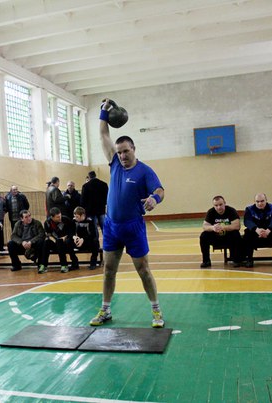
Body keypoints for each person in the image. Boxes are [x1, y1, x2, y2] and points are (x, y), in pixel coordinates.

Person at [90, 99, 165, 328]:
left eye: (126, 151)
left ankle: (156, 311)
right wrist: (104, 112)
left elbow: (160, 189)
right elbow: (103, 135)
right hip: (112, 227)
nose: (122, 155)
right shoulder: (114, 163)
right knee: (108, 271)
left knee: (143, 270)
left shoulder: (144, 171)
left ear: (134, 150)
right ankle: (105, 310)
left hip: (133, 227)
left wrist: (154, 198)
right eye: (120, 152)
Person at [243, 193, 272, 268]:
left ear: (266, 200)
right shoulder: (249, 209)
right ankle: (249, 259)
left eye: (262, 201)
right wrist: (257, 230)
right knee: (247, 234)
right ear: (254, 202)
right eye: (257, 201)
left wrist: (268, 230)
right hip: (256, 232)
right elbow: (247, 221)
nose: (260, 203)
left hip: (270, 232)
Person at [199, 195, 243, 268]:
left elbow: (237, 226)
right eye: (216, 205)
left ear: (224, 203)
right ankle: (206, 260)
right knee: (204, 236)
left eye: (220, 204)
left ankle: (236, 260)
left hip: (228, 236)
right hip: (216, 236)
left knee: (236, 234)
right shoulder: (211, 212)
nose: (218, 207)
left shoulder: (231, 211)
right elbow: (205, 226)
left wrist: (223, 227)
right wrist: (213, 227)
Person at [41, 207, 75, 273]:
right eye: (57, 217)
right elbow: (48, 234)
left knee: (59, 242)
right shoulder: (47, 223)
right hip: (55, 242)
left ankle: (64, 265)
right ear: (52, 217)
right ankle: (43, 265)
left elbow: (72, 231)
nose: (60, 218)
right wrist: (53, 239)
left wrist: (66, 236)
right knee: (46, 242)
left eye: (60, 216)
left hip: (66, 243)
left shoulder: (66, 220)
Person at [68, 206, 100, 271]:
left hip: (88, 241)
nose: (75, 218)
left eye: (77, 217)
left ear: (82, 215)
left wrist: (83, 239)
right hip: (78, 242)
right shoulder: (74, 221)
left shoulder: (90, 221)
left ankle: (93, 263)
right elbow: (70, 232)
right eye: (75, 216)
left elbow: (93, 235)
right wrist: (74, 237)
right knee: (68, 241)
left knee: (95, 241)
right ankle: (75, 263)